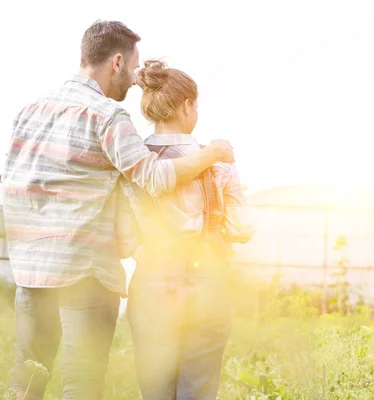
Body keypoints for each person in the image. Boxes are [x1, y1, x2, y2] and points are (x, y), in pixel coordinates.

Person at [2, 20, 234, 400]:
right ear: (117, 61)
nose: (132, 78)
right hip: (85, 271)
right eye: (132, 66)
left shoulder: (29, 110)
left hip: (31, 270)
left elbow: (11, 183)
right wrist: (211, 154)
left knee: (27, 375)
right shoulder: (107, 116)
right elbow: (155, 177)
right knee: (82, 381)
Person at [121, 59, 255, 400]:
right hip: (208, 283)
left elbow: (122, 239)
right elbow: (242, 228)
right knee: (198, 387)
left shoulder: (131, 163)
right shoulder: (217, 160)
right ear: (186, 105)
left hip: (151, 285)